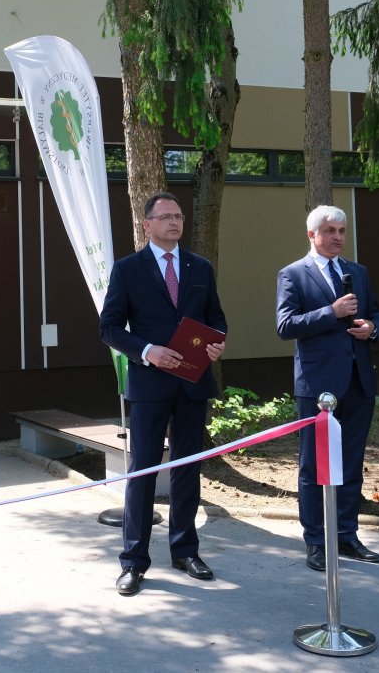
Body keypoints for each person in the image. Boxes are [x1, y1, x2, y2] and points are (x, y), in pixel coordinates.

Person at [99, 192, 227, 596]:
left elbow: (216, 318)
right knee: (144, 470)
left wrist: (217, 343)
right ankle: (133, 561)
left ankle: (185, 551)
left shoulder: (199, 267)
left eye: (179, 216)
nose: (175, 222)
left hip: (192, 383)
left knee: (188, 468)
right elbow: (109, 327)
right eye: (166, 216)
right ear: (147, 224)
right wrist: (147, 351)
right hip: (150, 384)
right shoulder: (128, 269)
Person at [276, 205, 379, 572]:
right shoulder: (293, 274)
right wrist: (331, 312)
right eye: (329, 231)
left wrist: (372, 329)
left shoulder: (358, 272)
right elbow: (285, 325)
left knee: (351, 463)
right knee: (314, 467)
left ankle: (346, 535)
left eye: (342, 230)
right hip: (318, 386)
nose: (337, 237)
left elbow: (378, 314)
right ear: (312, 235)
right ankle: (316, 541)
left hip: (358, 381)